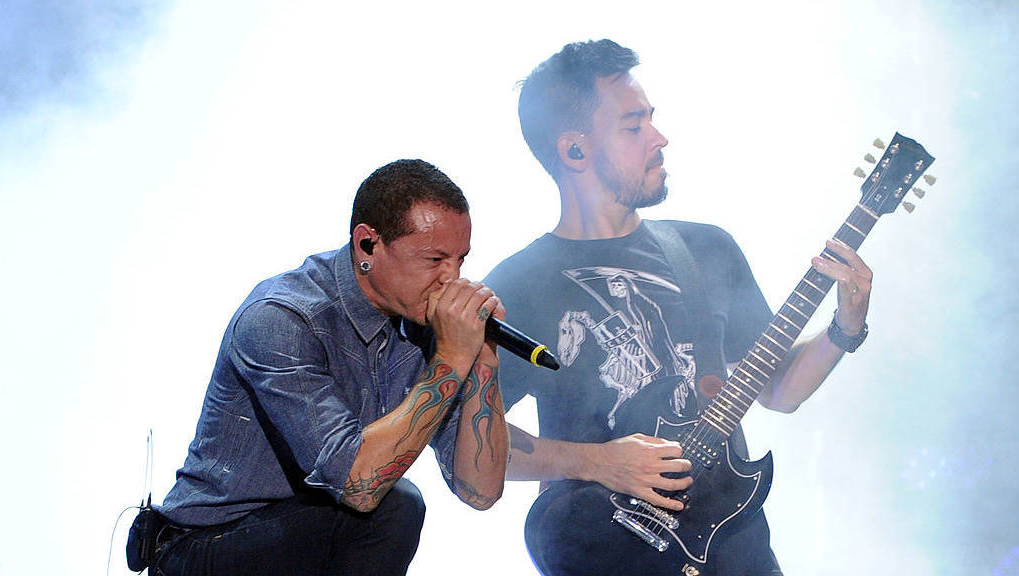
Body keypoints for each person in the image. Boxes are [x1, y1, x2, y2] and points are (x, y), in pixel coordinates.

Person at [483, 40, 872, 576]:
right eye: (633, 126)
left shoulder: (705, 248)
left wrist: (844, 327)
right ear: (574, 151)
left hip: (737, 548)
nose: (659, 138)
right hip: (612, 552)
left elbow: (779, 390)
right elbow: (472, 444)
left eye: (652, 119)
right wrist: (599, 462)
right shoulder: (518, 285)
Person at [141, 159, 508, 575]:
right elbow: (359, 487)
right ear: (367, 245)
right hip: (205, 548)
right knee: (394, 506)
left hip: (310, 536)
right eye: (434, 259)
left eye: (460, 259)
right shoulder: (282, 318)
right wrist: (452, 359)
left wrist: (484, 358)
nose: (452, 278)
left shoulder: (427, 328)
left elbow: (480, 490)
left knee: (390, 508)